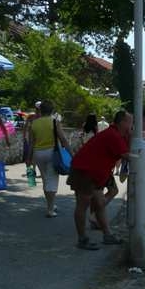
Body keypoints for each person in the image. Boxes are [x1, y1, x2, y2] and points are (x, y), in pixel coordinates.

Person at [67, 110, 133, 249]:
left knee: (100, 203)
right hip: (85, 170)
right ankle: (82, 239)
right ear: (122, 122)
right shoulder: (113, 135)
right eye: (130, 122)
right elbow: (128, 155)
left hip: (93, 172)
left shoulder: (116, 134)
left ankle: (107, 235)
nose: (131, 125)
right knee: (82, 204)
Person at [27, 100, 71, 218]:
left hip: (38, 153)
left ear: (40, 110)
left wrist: (28, 158)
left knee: (46, 180)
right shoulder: (54, 121)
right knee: (52, 180)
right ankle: (50, 209)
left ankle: (50, 205)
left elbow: (31, 143)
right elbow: (63, 139)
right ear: (52, 110)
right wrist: (71, 153)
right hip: (52, 152)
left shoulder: (34, 123)